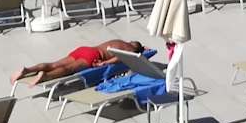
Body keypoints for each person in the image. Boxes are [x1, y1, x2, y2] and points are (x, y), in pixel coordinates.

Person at [12, 40, 146, 86]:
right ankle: (45, 76)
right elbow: (120, 57)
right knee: (68, 69)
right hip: (93, 55)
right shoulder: (131, 49)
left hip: (84, 49)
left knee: (54, 64)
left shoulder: (119, 41)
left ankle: (27, 70)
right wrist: (105, 63)